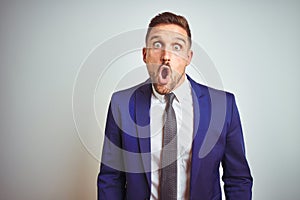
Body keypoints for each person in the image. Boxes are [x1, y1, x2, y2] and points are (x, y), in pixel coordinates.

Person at [97, 12, 253, 200]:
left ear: (188, 57)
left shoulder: (223, 106)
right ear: (145, 54)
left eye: (176, 47)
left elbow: (237, 179)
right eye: (157, 45)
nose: (166, 56)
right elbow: (110, 178)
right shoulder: (121, 104)